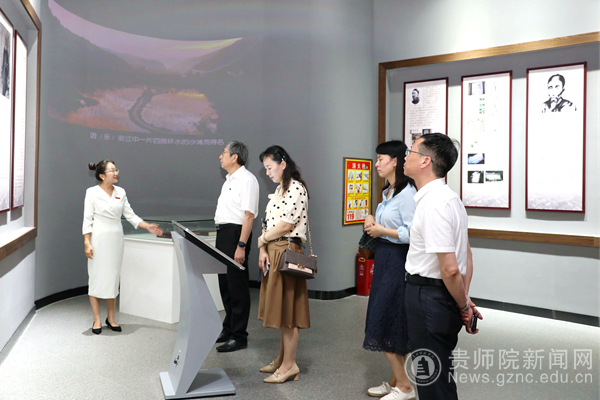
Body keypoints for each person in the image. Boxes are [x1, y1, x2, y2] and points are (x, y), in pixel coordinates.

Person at [402, 133, 482, 400]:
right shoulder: (449, 198)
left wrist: (463, 306)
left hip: (428, 298)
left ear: (425, 161)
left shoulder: (434, 203)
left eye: (411, 151)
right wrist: (463, 298)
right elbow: (466, 255)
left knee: (432, 380)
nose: (405, 157)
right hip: (440, 296)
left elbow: (450, 268)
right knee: (438, 376)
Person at [363, 140, 417, 400]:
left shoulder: (407, 194)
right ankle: (396, 380)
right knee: (393, 321)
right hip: (385, 258)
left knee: (383, 319)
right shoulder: (389, 191)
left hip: (397, 260)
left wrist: (381, 230)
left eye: (380, 159)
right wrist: (372, 220)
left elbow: (413, 232)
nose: (376, 164)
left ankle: (405, 387)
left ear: (394, 161)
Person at [83, 160, 162, 335]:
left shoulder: (121, 192)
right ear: (102, 175)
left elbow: (130, 215)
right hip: (99, 238)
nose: (116, 173)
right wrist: (87, 242)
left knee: (113, 278)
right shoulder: (92, 192)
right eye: (112, 170)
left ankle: (111, 318)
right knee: (96, 278)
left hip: (115, 239)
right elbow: (87, 219)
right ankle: (97, 318)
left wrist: (147, 226)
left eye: (116, 169)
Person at [256, 145, 310, 384]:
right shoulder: (279, 190)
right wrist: (263, 248)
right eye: (265, 169)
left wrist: (262, 240)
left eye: (270, 167)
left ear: (283, 164)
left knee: (288, 312)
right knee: (281, 310)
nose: (268, 173)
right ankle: (282, 359)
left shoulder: (296, 188)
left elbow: (286, 225)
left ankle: (290, 365)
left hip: (287, 250)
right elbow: (267, 223)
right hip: (274, 249)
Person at [214, 141, 260, 352]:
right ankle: (228, 328)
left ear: (234, 157)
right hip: (224, 234)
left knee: (237, 287)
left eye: (223, 152)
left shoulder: (247, 180)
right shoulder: (228, 180)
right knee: (225, 285)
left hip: (236, 235)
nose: (220, 156)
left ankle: (239, 336)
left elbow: (249, 216)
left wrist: (241, 245)